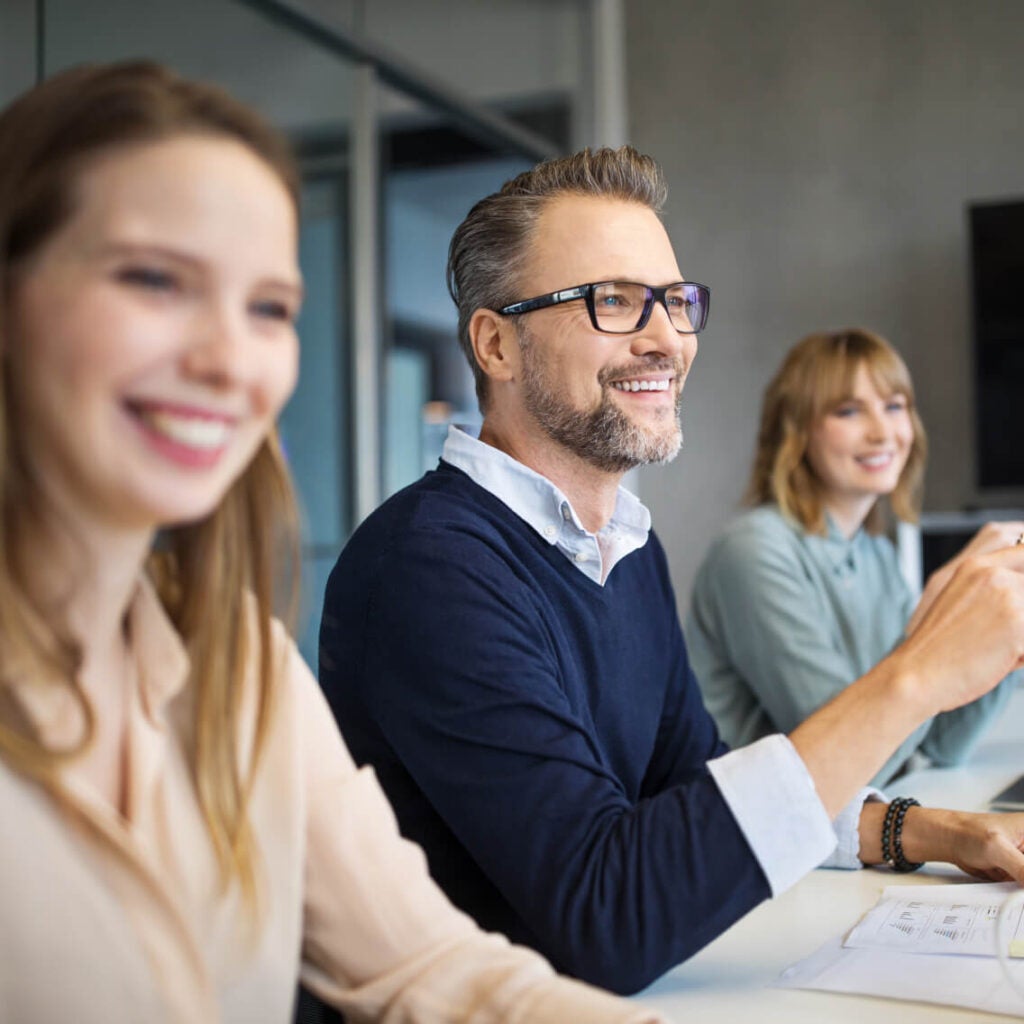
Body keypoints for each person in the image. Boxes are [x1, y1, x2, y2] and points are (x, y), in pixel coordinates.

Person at [0, 62, 668, 1023]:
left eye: (268, 307)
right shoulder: (426, 564)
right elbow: (603, 898)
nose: (228, 359)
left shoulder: (240, 673)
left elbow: (433, 973)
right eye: (153, 280)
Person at [319, 145, 1024, 997]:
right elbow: (607, 918)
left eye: (675, 302)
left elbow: (696, 788)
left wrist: (931, 831)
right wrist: (914, 677)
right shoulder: (428, 568)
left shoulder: (623, 545)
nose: (666, 339)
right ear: (496, 344)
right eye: (613, 301)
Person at [686, 328, 1021, 787]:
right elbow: (848, 762)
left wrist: (1008, 633)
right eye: (848, 411)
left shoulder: (874, 554)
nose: (882, 432)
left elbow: (942, 742)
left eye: (894, 406)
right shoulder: (754, 551)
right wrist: (945, 600)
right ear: (797, 431)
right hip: (758, 843)